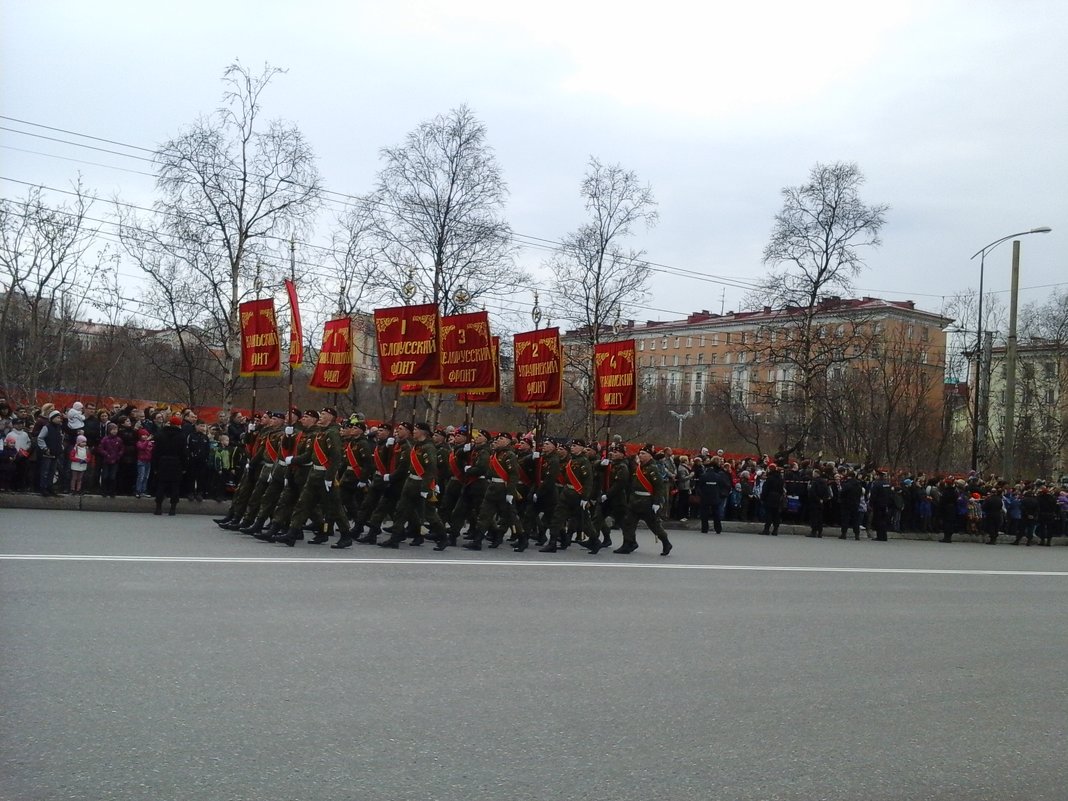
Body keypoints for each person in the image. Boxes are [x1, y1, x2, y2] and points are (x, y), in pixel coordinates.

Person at [615, 446, 672, 556]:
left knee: (654, 525)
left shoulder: (653, 468)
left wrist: (656, 502)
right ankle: (628, 543)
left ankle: (666, 542)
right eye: (640, 453)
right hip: (635, 501)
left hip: (647, 501)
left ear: (650, 455)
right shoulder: (638, 467)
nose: (640, 455)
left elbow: (659, 487)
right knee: (628, 523)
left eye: (643, 453)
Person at [152, 415, 188, 516]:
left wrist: (155, 466)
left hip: (162, 462)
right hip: (176, 463)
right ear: (178, 425)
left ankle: (158, 507)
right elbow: (184, 453)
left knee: (161, 484)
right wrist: (184, 466)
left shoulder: (160, 434)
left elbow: (155, 452)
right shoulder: (181, 436)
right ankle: (172, 509)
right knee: (175, 486)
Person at [36, 410, 65, 496]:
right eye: (57, 417)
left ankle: (50, 487)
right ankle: (43, 488)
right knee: (45, 471)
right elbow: (40, 438)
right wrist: (44, 448)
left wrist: (61, 447)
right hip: (47, 452)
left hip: (56, 452)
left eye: (60, 417)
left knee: (52, 471)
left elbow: (60, 439)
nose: (59, 419)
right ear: (52, 418)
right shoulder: (47, 427)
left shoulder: (59, 428)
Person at [759, 463, 785, 535]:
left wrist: (763, 497)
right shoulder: (780, 479)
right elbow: (781, 489)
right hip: (778, 498)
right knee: (776, 514)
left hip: (769, 497)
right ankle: (775, 529)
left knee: (769, 513)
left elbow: (766, 489)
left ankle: (766, 529)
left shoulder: (769, 478)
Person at [135, 429, 154, 498]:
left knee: (146, 477)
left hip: (148, 461)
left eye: (146, 435)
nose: (145, 436)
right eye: (143, 435)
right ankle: (138, 491)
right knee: (141, 476)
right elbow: (142, 447)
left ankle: (143, 490)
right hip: (141, 461)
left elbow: (151, 450)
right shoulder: (139, 442)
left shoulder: (150, 443)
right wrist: (147, 441)